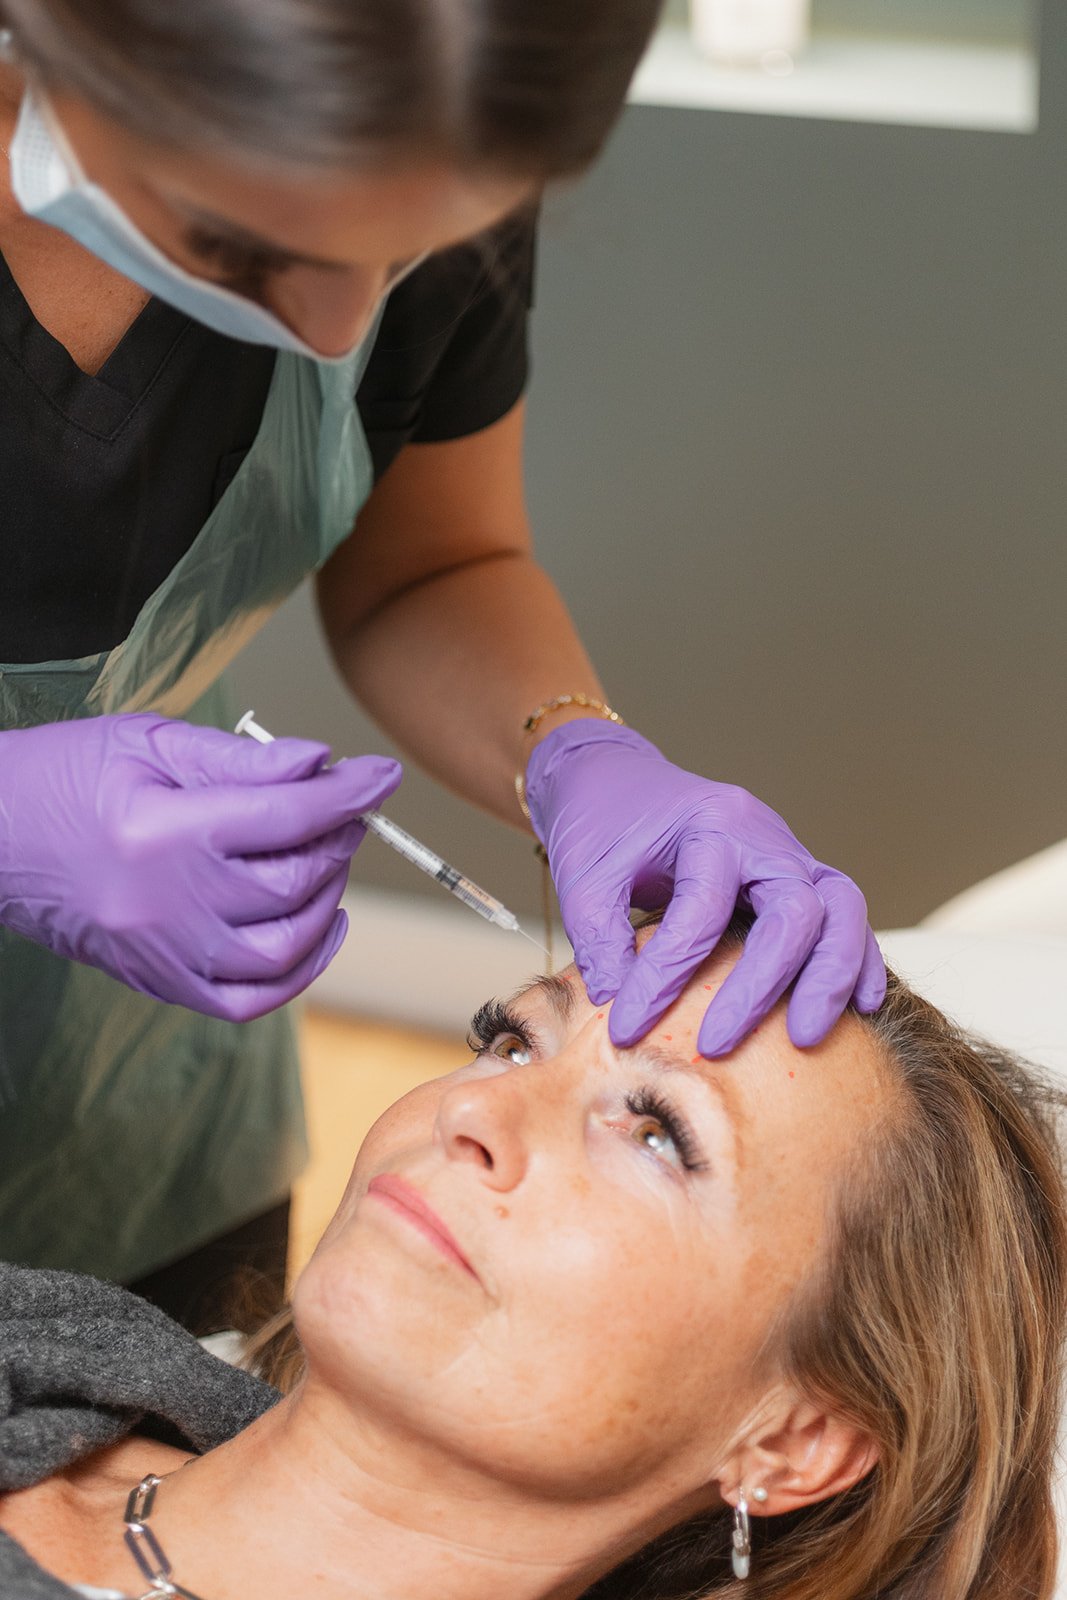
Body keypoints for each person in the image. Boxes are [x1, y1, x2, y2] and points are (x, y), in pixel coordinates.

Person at [0, 0, 885, 1318]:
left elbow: (430, 564)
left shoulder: (444, 94)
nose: (334, 323)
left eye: (412, 247)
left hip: (128, 1120)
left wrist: (573, 745)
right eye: (239, 244)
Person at [0, 918, 1062, 1600]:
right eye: (515, 1039)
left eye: (656, 1131)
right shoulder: (53, 1353)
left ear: (794, 1440)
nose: (474, 1104)